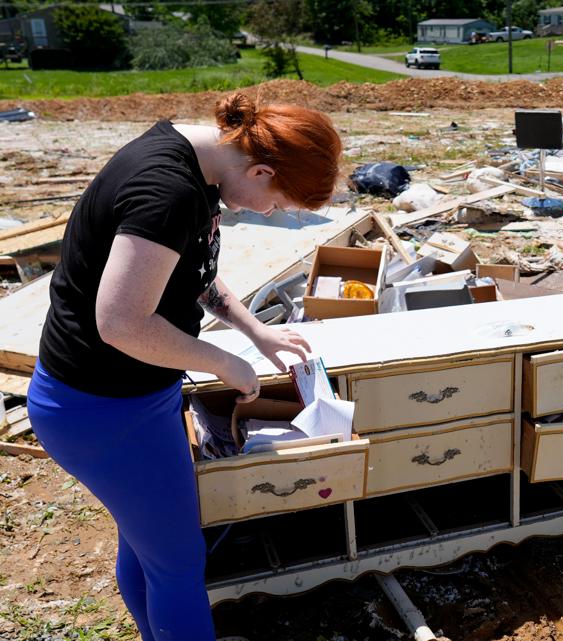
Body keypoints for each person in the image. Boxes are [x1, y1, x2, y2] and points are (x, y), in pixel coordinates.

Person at [26, 93, 342, 640]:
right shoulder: (166, 191)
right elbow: (121, 323)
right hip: (100, 411)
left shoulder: (198, 167)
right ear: (262, 168)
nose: (267, 213)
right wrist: (224, 363)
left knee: (149, 544)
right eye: (276, 202)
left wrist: (255, 330)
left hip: (129, 398)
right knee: (176, 561)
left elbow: (190, 270)